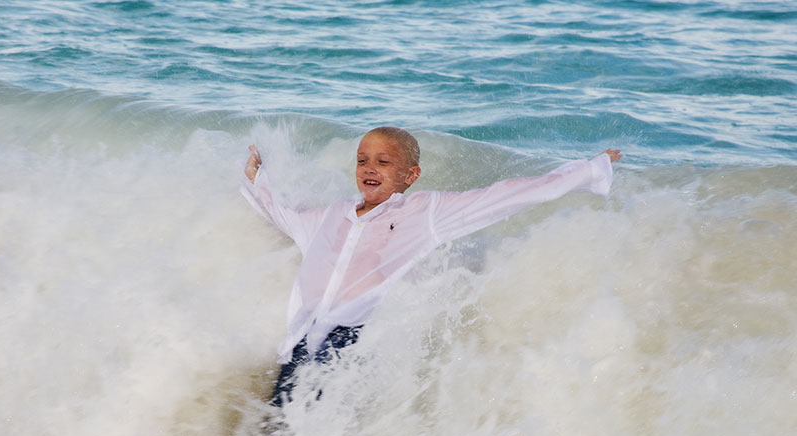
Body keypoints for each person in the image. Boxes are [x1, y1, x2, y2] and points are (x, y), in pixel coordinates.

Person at [241, 126, 622, 407]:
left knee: (305, 419)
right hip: (300, 335)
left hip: (350, 334)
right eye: (362, 160)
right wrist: (259, 178)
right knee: (278, 419)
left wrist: (589, 171)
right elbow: (284, 214)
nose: (369, 168)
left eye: (383, 162)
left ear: (410, 176)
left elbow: (505, 196)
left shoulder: (424, 212)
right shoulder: (331, 215)